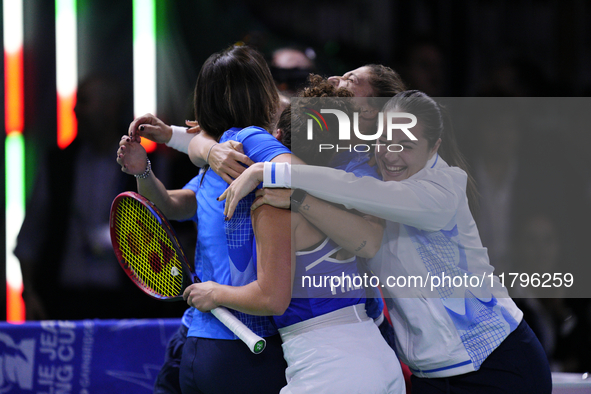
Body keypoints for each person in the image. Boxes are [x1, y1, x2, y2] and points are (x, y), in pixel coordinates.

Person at [219, 90, 552, 394]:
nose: (392, 155)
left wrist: (270, 173)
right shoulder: (362, 175)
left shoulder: (442, 188)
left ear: (433, 147)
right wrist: (214, 146)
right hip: (428, 376)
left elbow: (358, 191)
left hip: (499, 363)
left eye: (406, 145)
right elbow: (364, 228)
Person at [184, 83, 405, 393]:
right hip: (380, 358)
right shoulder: (350, 192)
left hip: (329, 368)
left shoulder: (272, 202)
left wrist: (214, 293)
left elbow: (271, 298)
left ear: (277, 139)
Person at [121, 44, 293, 394]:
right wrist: (144, 173)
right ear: (261, 91)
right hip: (208, 334)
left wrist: (183, 138)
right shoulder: (218, 162)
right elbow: (175, 205)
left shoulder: (245, 148)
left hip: (236, 342)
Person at [14, 74, 185, 321]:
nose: (75, 110)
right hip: (64, 301)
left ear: (111, 107)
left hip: (130, 305)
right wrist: (29, 293)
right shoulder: (57, 165)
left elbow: (173, 236)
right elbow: (30, 236)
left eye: (84, 101)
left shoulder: (151, 165)